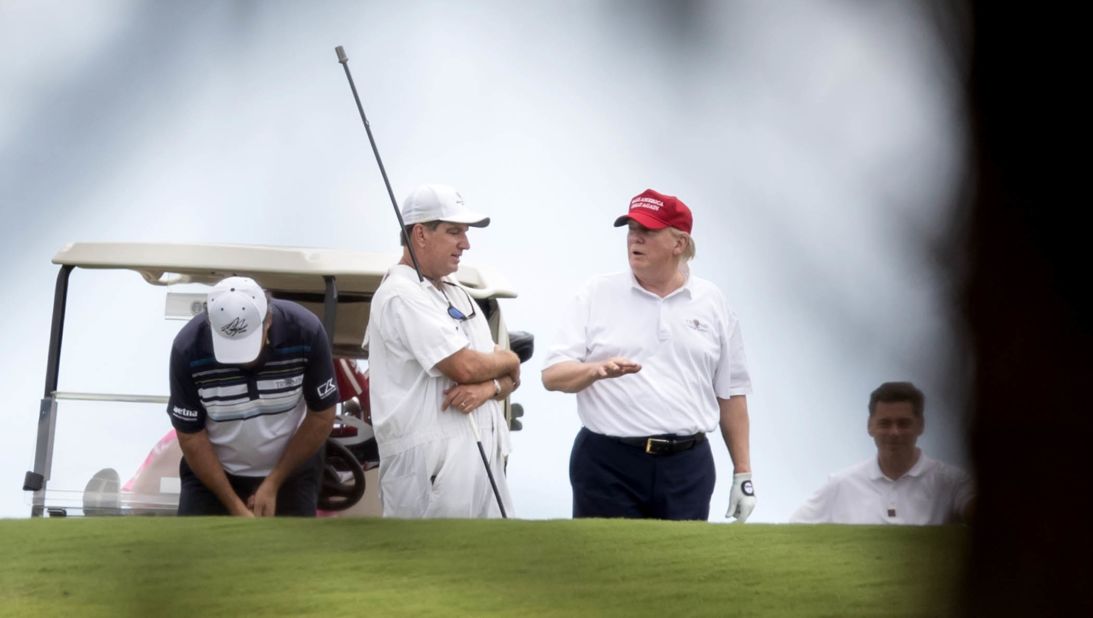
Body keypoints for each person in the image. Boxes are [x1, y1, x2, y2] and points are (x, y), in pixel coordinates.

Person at [541, 188, 756, 521]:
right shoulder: (596, 293)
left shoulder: (712, 302)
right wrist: (595, 371)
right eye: (631, 230)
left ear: (679, 243)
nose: (634, 240)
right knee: (607, 571)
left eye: (647, 231)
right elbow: (552, 376)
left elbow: (731, 392)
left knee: (676, 569)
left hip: (687, 466)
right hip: (607, 463)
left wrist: (743, 473)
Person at [364, 184, 521, 518]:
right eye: (454, 232)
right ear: (420, 234)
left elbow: (502, 375)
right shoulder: (400, 294)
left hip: (478, 457)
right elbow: (465, 366)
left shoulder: (456, 292)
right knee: (428, 566)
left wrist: (489, 387)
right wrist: (509, 359)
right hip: (428, 465)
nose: (465, 243)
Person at [167, 276, 338, 517]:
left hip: (292, 470)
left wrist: (274, 482)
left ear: (268, 320)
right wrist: (234, 505)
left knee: (292, 553)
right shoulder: (187, 348)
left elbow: (322, 415)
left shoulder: (305, 331)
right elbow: (190, 435)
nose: (242, 360)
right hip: (213, 475)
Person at [790, 381, 975, 525]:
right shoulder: (841, 485)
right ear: (870, 427)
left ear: (921, 425)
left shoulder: (951, 483)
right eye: (885, 423)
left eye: (903, 423)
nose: (894, 432)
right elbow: (791, 530)